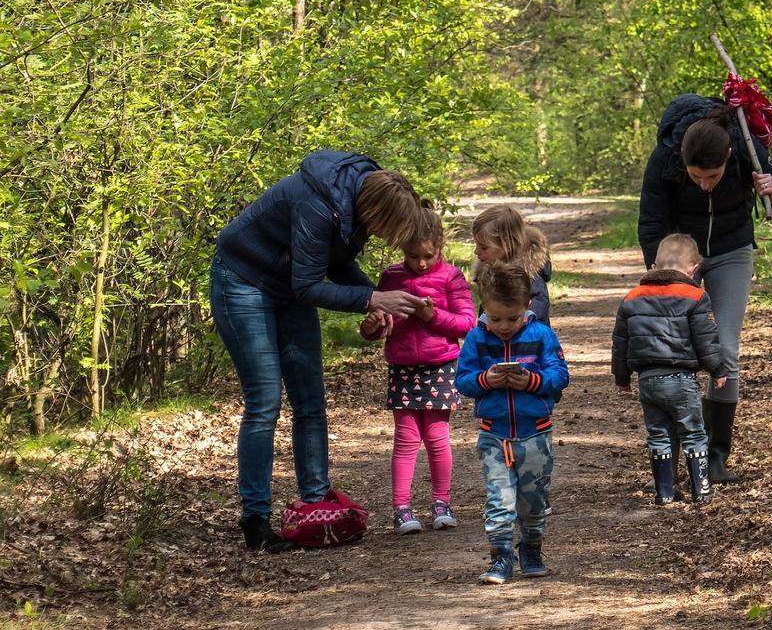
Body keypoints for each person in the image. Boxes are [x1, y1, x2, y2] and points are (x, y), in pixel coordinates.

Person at [210, 149, 429, 553]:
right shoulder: (317, 203)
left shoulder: (357, 201)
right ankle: (255, 521)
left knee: (310, 400)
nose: (385, 237)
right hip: (243, 281)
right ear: (377, 211)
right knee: (264, 401)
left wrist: (375, 297)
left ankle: (315, 503)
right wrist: (371, 299)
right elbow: (308, 285)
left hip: (289, 284)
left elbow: (334, 261)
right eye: (388, 229)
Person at [638, 94, 772, 484]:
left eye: (712, 176)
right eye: (696, 178)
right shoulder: (665, 156)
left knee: (723, 350)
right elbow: (651, 221)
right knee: (677, 350)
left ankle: (715, 457)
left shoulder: (746, 147)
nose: (704, 184)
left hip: (731, 249)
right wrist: (661, 274)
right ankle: (675, 456)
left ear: (728, 156)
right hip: (679, 253)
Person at [359, 206, 476, 535]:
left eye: (427, 255)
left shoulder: (451, 277)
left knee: (437, 438)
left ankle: (442, 502)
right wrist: (372, 326)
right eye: (413, 256)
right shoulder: (392, 278)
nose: (421, 263)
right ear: (401, 250)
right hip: (404, 368)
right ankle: (402, 508)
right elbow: (380, 325)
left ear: (439, 245)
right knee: (406, 439)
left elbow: (466, 323)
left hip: (440, 366)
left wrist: (431, 315)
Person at [455, 263, 569, 584]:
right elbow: (462, 380)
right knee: (499, 500)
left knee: (533, 501)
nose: (503, 326)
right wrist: (486, 379)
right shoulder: (477, 339)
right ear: (483, 309)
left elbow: (560, 376)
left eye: (512, 318)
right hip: (495, 435)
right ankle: (501, 556)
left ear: (527, 307)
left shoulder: (542, 335)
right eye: (495, 318)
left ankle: (531, 549)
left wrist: (531, 381)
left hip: (536, 433)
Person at [612, 234, 727, 505]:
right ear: (692, 268)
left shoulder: (632, 297)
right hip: (680, 379)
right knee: (693, 432)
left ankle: (664, 492)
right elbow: (706, 339)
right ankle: (702, 491)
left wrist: (622, 377)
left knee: (659, 434)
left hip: (648, 380)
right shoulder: (695, 295)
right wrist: (717, 369)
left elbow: (620, 342)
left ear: (654, 266)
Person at [471, 205, 553, 325]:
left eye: (484, 247)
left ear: (507, 245)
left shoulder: (530, 280)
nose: (476, 252)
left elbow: (537, 314)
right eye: (476, 245)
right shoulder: (490, 277)